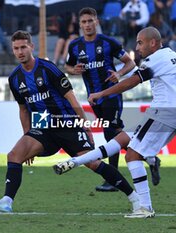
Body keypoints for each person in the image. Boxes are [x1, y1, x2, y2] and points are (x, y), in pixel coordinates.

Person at [0, 30, 141, 214]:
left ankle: (135, 198)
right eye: (16, 48)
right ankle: (6, 202)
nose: (20, 52)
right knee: (14, 155)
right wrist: (28, 136)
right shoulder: (15, 79)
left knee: (93, 163)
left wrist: (85, 125)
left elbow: (71, 98)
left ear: (31, 47)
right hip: (42, 126)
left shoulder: (48, 69)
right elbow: (23, 109)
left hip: (66, 123)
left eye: (23, 47)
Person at [54, 27, 176, 218]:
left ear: (153, 43)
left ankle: (144, 207)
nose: (137, 47)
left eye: (140, 42)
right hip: (170, 115)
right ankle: (75, 161)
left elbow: (132, 82)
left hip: (162, 113)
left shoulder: (155, 59)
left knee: (132, 156)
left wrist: (102, 93)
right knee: (122, 138)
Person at [65, 7, 160, 192]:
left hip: (112, 94)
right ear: (80, 24)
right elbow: (68, 66)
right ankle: (150, 158)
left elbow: (131, 62)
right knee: (115, 134)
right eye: (84, 22)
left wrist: (119, 74)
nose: (87, 25)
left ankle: (113, 179)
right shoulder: (75, 46)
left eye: (90, 21)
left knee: (110, 132)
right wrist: (73, 70)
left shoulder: (108, 42)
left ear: (97, 22)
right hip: (94, 97)